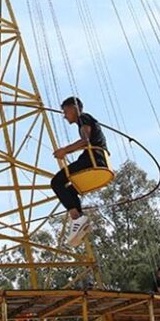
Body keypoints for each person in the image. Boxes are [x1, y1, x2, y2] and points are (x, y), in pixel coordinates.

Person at [51, 96, 108, 247]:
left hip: (93, 159)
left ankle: (76, 218)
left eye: (65, 111)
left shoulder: (84, 118)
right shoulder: (84, 121)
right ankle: (80, 219)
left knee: (56, 182)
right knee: (69, 190)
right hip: (96, 158)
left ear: (74, 108)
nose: (64, 115)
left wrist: (65, 151)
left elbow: (85, 141)